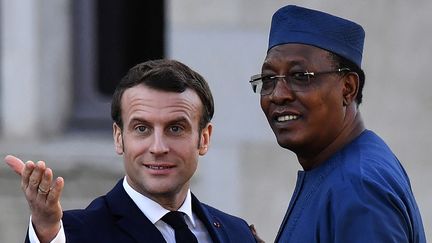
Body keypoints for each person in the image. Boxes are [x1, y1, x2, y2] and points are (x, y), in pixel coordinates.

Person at [6, 59, 259, 243]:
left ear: (203, 138)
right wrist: (47, 231)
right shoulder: (71, 234)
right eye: (141, 128)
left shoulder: (237, 233)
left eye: (175, 128)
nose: (158, 148)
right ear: (119, 138)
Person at [249, 5, 426, 243]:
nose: (277, 94)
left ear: (348, 88)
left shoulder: (359, 187)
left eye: (300, 76)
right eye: (269, 79)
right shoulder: (335, 168)